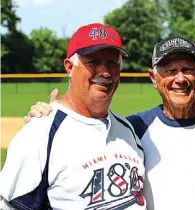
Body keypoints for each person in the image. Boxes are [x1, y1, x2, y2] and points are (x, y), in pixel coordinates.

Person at [23, 36, 195, 210]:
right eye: (169, 70)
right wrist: (47, 115)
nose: (180, 79)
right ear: (153, 78)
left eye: (188, 69)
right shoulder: (132, 129)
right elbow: (81, 135)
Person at [0, 23, 146, 210]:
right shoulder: (39, 134)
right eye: (93, 62)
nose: (104, 71)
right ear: (69, 67)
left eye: (112, 62)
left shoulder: (128, 131)